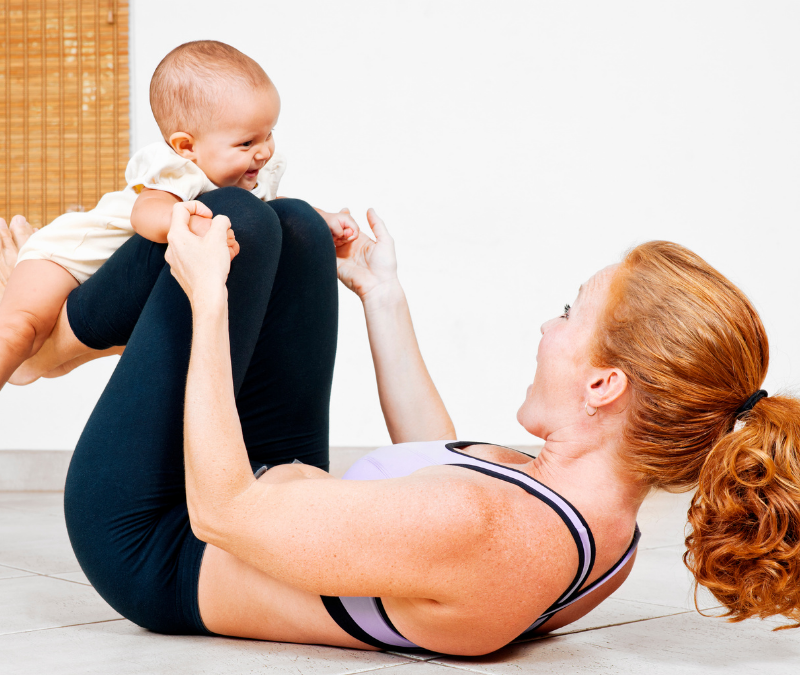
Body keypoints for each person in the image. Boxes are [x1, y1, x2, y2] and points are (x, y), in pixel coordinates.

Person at [42, 190, 800, 654]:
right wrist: (382, 294)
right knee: (299, 231)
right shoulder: (604, 527)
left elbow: (223, 513)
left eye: (570, 314)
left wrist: (207, 301)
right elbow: (434, 468)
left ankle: (34, 334)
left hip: (163, 544)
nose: (548, 324)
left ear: (604, 383)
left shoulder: (484, 528)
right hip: (276, 497)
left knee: (227, 223)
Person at [0, 40, 357, 390]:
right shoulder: (179, 170)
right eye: (247, 143)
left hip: (113, 286)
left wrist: (318, 217)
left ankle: (41, 361)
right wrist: (196, 223)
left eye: (269, 134)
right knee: (19, 331)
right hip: (67, 256)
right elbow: (146, 214)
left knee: (74, 345)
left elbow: (275, 209)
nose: (263, 152)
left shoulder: (248, 175)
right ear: (187, 146)